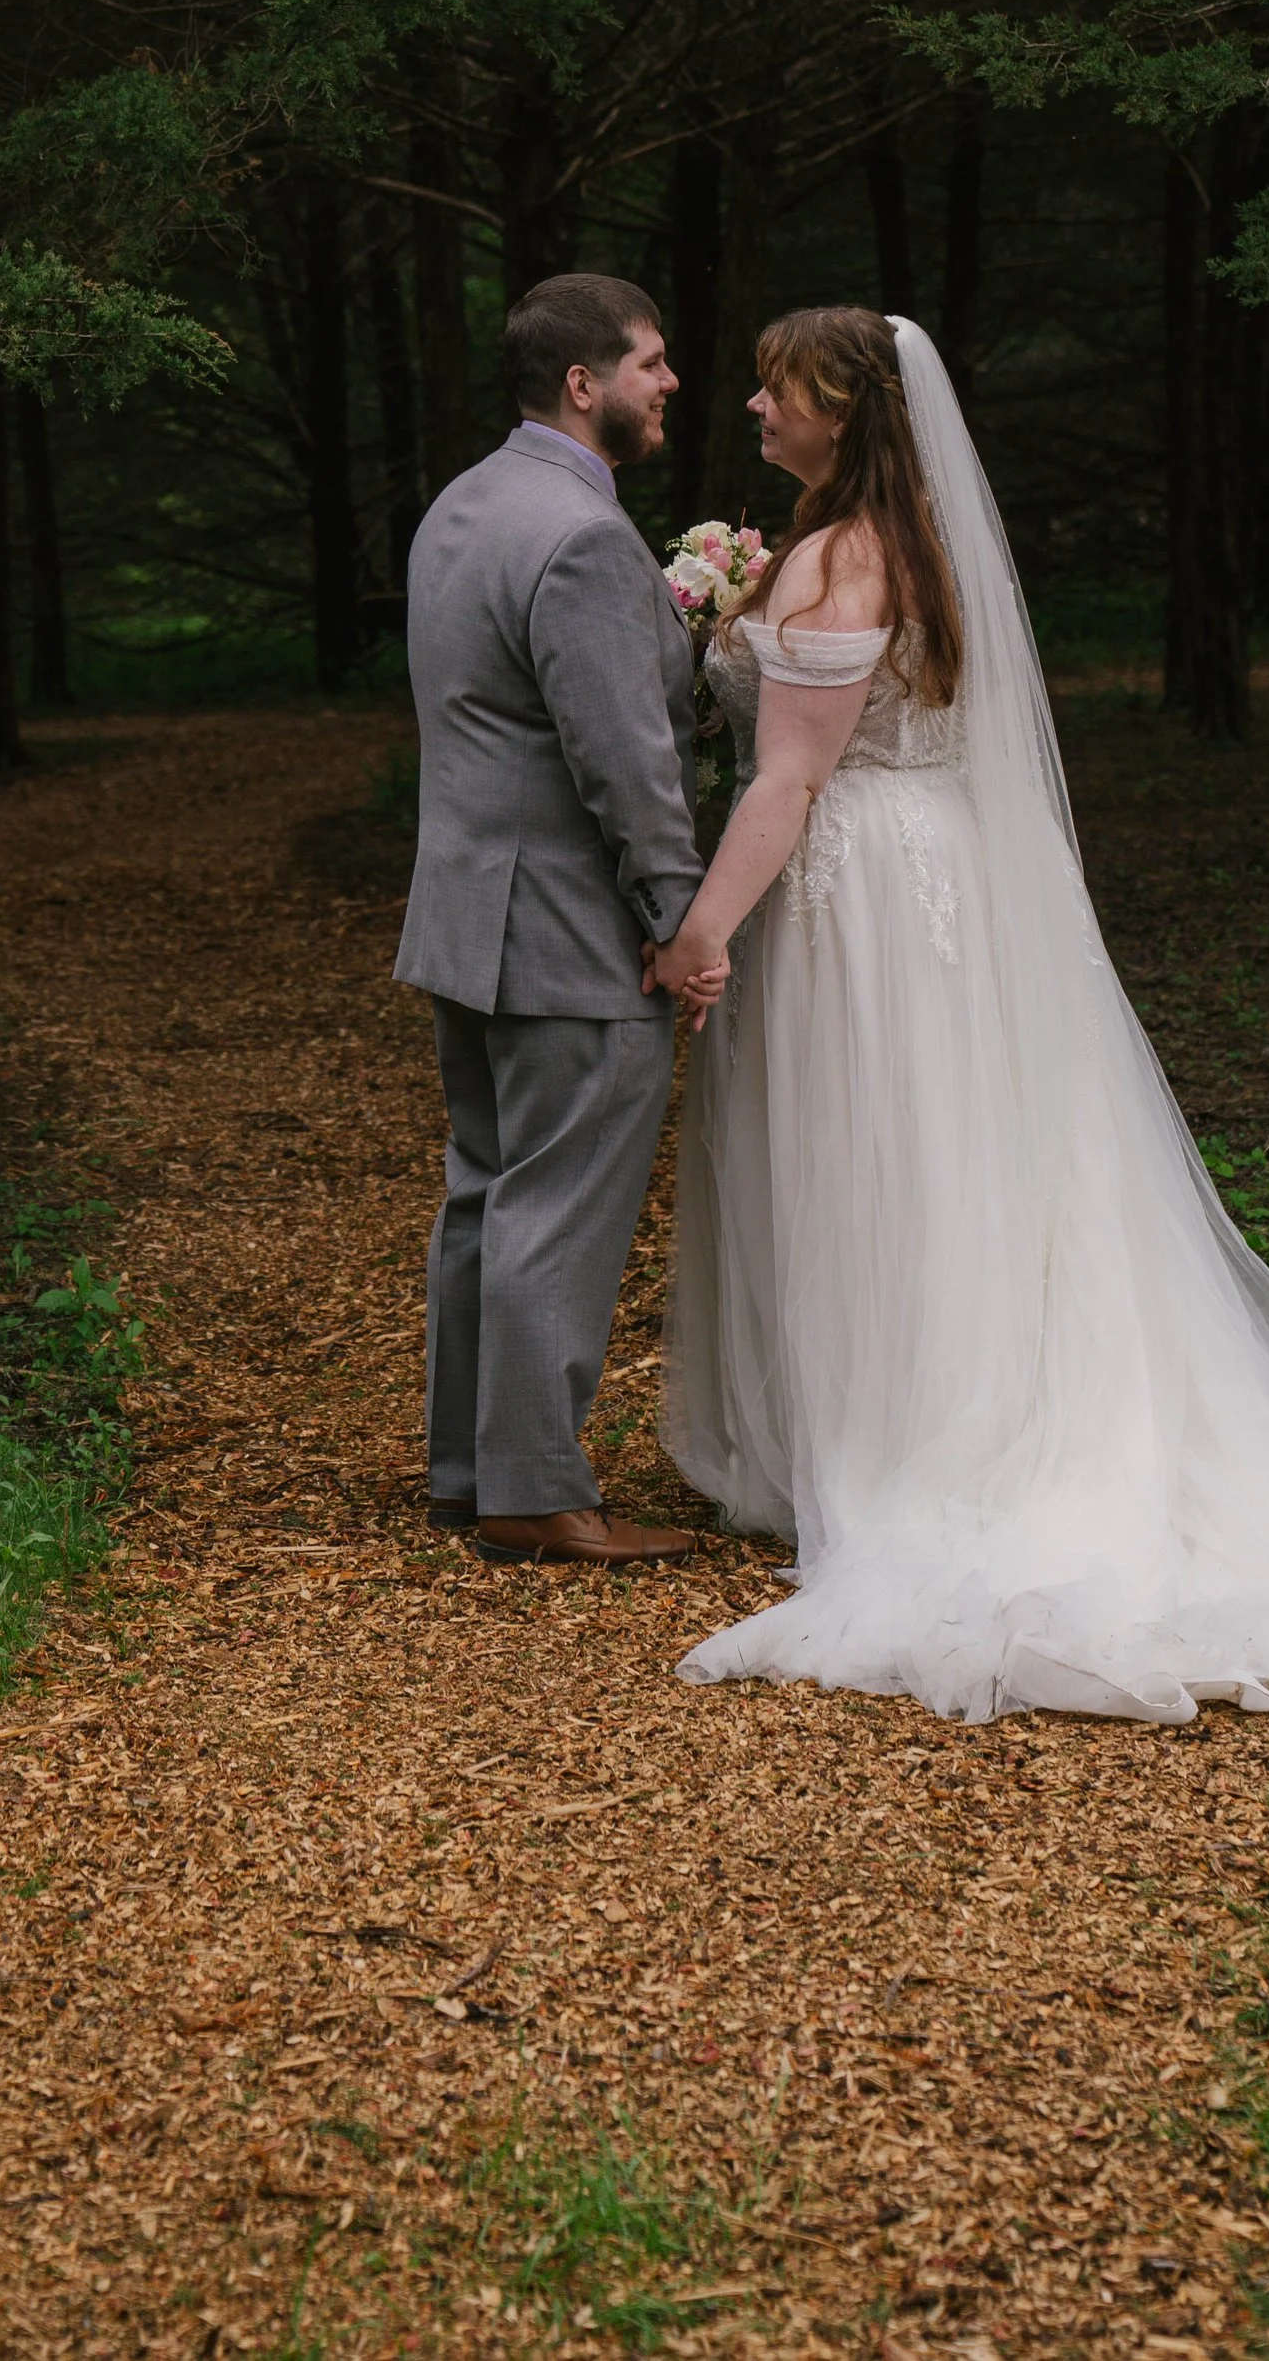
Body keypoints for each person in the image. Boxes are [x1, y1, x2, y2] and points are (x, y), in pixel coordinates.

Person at [649, 304, 1269, 1722]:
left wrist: (699, 929)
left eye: (781, 393)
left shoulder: (832, 558)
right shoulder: (920, 544)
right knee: (957, 1153)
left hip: (865, 896)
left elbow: (787, 782)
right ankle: (905, 1410)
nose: (755, 413)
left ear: (845, 412)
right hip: (941, 872)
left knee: (881, 1153)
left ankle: (907, 1443)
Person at [395, 272, 710, 1568]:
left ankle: (472, 1462)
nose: (670, 381)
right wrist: (675, 909)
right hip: (568, 925)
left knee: (487, 1188)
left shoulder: (465, 504)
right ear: (583, 383)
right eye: (649, 361)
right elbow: (622, 755)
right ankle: (532, 1486)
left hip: (467, 913)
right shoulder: (582, 537)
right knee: (557, 1204)